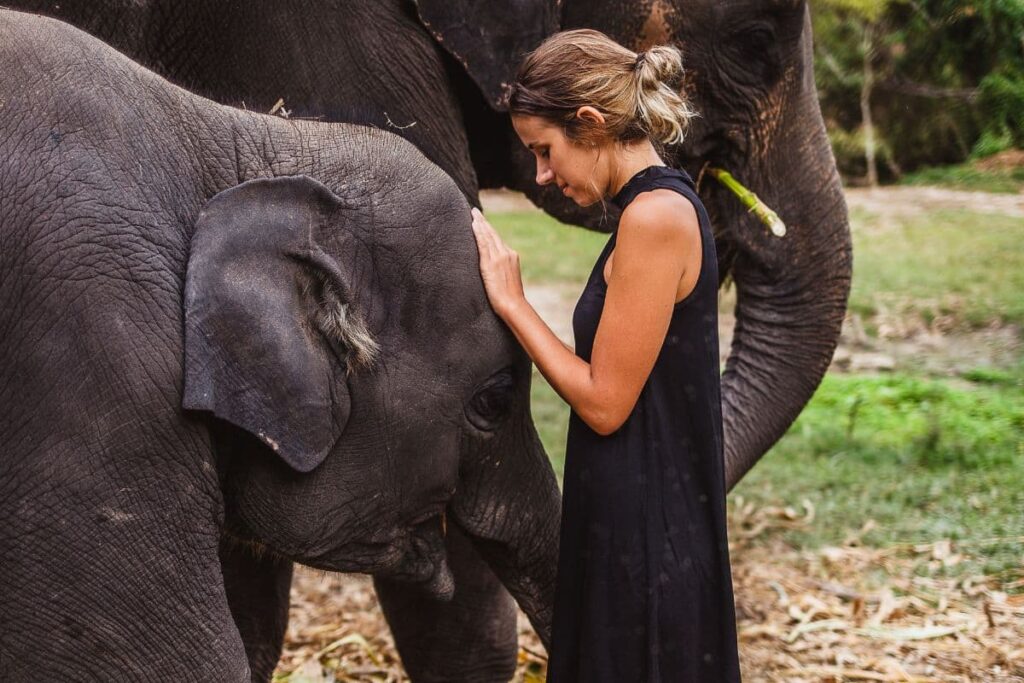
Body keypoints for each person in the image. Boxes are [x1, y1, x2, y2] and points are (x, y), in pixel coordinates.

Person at [469, 29, 742, 682]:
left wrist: (513, 303)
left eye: (544, 150)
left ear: (589, 123)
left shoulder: (655, 219)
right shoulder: (649, 210)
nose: (541, 174)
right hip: (633, 524)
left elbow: (604, 402)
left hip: (649, 539)